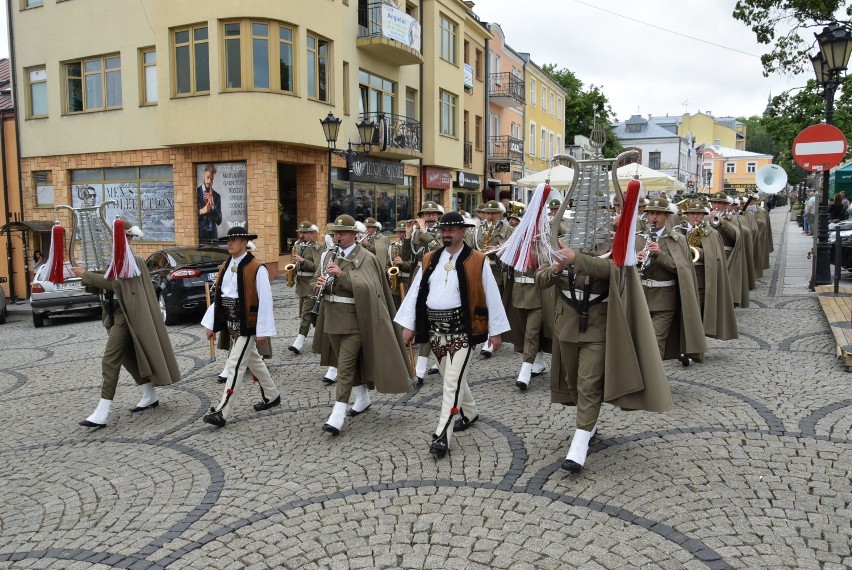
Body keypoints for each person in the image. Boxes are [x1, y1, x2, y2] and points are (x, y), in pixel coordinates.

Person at [395, 211, 510, 458]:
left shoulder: (477, 260)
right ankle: (470, 413)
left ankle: (442, 435)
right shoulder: (429, 259)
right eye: (443, 230)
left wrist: (497, 331)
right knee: (453, 379)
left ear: (462, 231)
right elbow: (416, 293)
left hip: (463, 332)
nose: (446, 233)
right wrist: (409, 325)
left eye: (451, 230)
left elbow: (492, 295)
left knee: (450, 384)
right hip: (436, 333)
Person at [73, 221, 181, 428]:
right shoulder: (118, 257)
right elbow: (110, 284)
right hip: (115, 313)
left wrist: (86, 275)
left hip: (127, 315)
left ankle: (102, 411)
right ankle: (149, 394)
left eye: (125, 236)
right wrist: (90, 280)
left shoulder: (131, 259)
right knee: (130, 357)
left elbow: (115, 284)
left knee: (110, 360)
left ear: (129, 237)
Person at [312, 214, 412, 435]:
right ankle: (363, 398)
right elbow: (315, 281)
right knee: (344, 363)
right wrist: (318, 284)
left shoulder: (366, 257)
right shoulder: (329, 255)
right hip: (332, 320)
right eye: (335, 233)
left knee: (344, 368)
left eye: (343, 233)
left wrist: (343, 277)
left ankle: (337, 415)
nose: (338, 237)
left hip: (355, 322)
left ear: (354, 235)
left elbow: (370, 288)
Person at [201, 227, 279, 428]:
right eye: (229, 240)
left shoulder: (257, 267)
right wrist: (212, 324)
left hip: (248, 324)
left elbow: (265, 300)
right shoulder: (226, 265)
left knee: (235, 364)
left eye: (234, 240)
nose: (230, 243)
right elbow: (220, 296)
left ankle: (222, 411)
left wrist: (262, 330)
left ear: (245, 243)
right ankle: (272, 396)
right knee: (255, 361)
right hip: (232, 323)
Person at [636, 197, 706, 365]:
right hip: (640, 297)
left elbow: (681, 268)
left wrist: (660, 255)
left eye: (658, 214)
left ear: (666, 216)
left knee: (655, 343)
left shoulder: (676, 239)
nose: (654, 217)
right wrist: (635, 260)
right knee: (639, 342)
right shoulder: (638, 238)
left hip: (664, 300)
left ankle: (655, 384)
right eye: (651, 213)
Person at [681, 201, 738, 341]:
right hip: (680, 276)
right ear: (686, 215)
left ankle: (695, 345)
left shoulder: (710, 233)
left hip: (700, 277)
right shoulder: (678, 231)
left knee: (697, 312)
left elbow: (716, 257)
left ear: (703, 215)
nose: (695, 216)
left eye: (698, 214)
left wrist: (701, 252)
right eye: (692, 214)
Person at [473, 199, 513, 357]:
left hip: (498, 271)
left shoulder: (508, 229)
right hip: (481, 269)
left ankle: (491, 338)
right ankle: (484, 334)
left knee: (495, 305)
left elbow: (512, 249)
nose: (490, 216)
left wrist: (498, 250)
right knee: (483, 304)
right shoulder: (478, 229)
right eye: (488, 213)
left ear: (500, 214)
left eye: (493, 213)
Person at [288, 221, 324, 355]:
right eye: (300, 232)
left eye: (304, 233)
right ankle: (323, 337)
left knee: (306, 314)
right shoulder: (297, 246)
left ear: (312, 233)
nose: (301, 235)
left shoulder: (318, 247)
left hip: (311, 284)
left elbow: (318, 267)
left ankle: (299, 341)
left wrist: (303, 261)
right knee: (311, 315)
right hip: (301, 284)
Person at [198, 164, 223, 242]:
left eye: (211, 179)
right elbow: (187, 217)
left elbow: (219, 221)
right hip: (200, 237)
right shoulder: (195, 193)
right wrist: (201, 211)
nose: (209, 181)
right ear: (203, 175)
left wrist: (213, 206)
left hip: (213, 238)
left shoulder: (217, 196)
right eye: (207, 177)